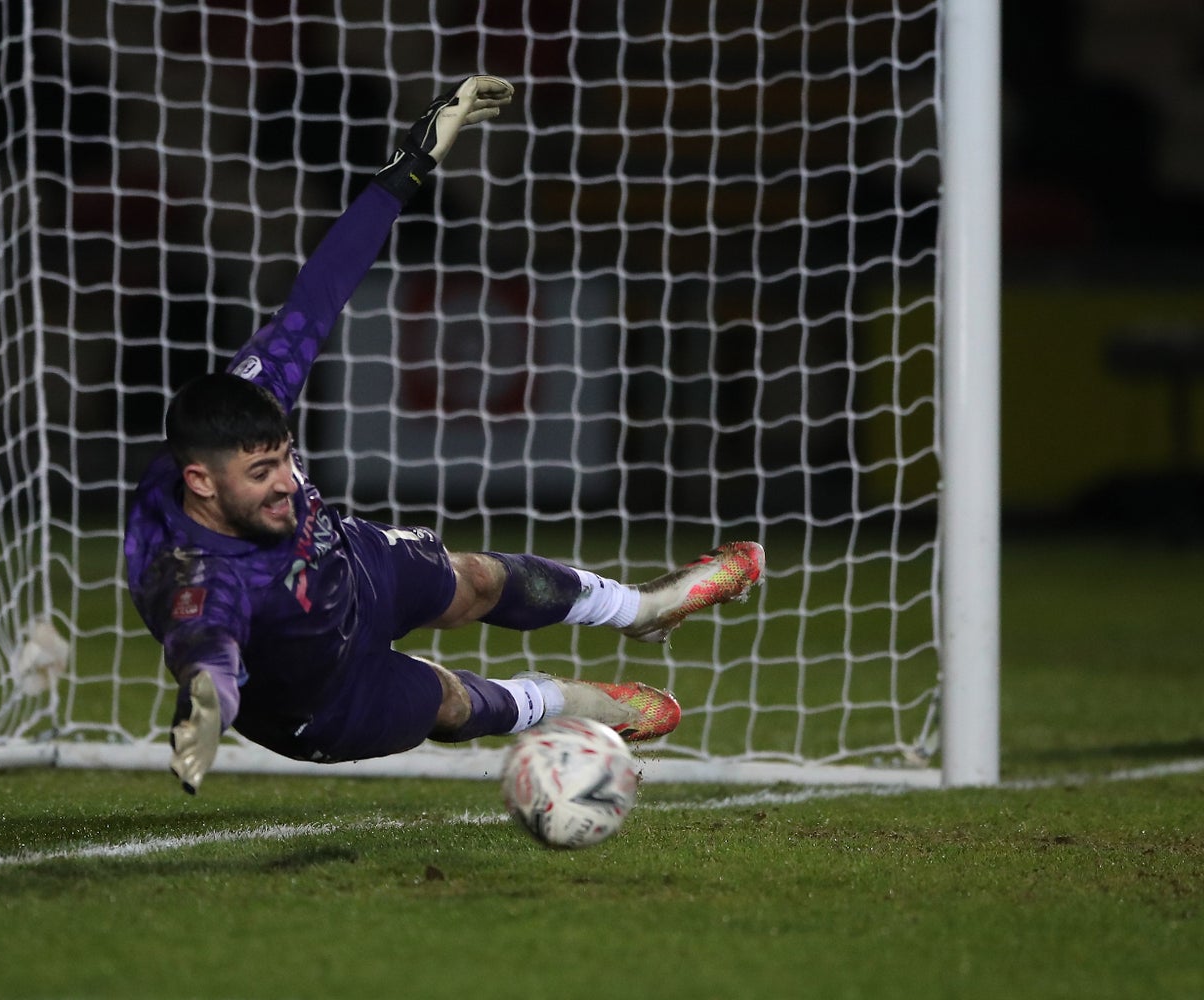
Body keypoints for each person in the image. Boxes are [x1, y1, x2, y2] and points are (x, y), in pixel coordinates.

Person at [124, 75, 765, 795]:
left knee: (476, 580)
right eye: (261, 474)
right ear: (201, 483)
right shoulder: (185, 568)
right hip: (319, 699)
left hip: (346, 565)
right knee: (451, 701)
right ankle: (570, 706)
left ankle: (643, 610)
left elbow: (322, 286)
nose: (283, 482)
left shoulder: (251, 400)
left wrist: (410, 162)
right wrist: (206, 706)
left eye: (284, 459)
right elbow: (203, 646)